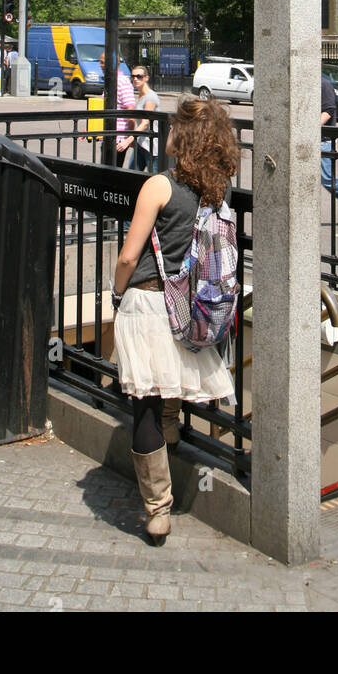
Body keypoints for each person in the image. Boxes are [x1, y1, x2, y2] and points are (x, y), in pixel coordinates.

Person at [111, 96, 239, 542]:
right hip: (192, 307)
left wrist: (115, 292)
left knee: (142, 401)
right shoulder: (217, 187)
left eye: (171, 128)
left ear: (183, 138)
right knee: (169, 380)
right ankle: (172, 431)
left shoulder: (158, 186)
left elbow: (129, 256)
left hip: (149, 303)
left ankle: (157, 508)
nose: (164, 134)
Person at [99, 50, 136, 167]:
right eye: (100, 62)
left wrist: (129, 137)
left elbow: (131, 112)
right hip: (109, 137)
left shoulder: (122, 82)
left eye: (103, 62)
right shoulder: (111, 81)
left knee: (111, 175)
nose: (101, 65)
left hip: (118, 140)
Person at [320, 74, 338, 205]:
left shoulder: (324, 84)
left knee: (328, 180)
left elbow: (328, 110)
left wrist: (310, 129)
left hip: (322, 141)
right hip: (310, 140)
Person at [131, 66, 161, 172]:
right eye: (133, 76)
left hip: (151, 146)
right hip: (141, 142)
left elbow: (145, 123)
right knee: (130, 175)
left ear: (146, 78)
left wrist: (129, 139)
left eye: (139, 76)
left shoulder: (150, 97)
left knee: (153, 178)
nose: (135, 79)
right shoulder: (141, 96)